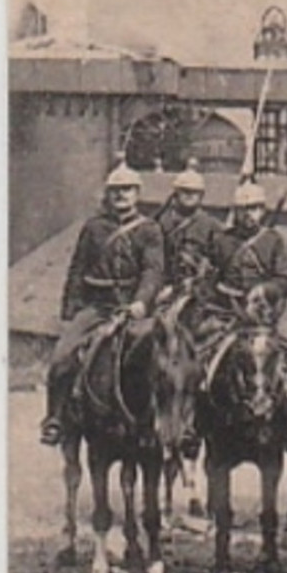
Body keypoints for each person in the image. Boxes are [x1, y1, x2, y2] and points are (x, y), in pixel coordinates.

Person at [40, 156, 165, 445]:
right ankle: (55, 418)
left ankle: (160, 421)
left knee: (159, 361)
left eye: (127, 189)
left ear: (138, 193)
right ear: (108, 194)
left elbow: (153, 271)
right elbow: (77, 269)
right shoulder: (94, 228)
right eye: (115, 190)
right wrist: (70, 311)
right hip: (97, 308)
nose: (121, 195)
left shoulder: (150, 230)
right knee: (61, 358)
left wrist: (141, 303)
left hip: (134, 310)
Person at [201, 177, 287, 365]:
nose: (249, 214)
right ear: (236, 211)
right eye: (243, 209)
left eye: (254, 208)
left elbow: (285, 278)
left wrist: (265, 290)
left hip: (266, 312)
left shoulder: (274, 240)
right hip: (228, 311)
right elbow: (210, 276)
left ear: (262, 211)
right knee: (198, 353)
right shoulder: (222, 240)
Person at [155, 158, 225, 309]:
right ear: (176, 194)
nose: (189, 195)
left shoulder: (211, 225)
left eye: (195, 192)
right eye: (185, 191)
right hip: (166, 289)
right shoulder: (162, 223)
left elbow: (219, 264)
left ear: (201, 196)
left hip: (199, 293)